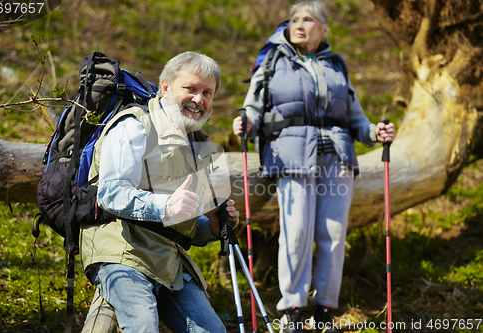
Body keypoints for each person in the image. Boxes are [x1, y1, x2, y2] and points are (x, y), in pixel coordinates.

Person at [233, 2, 396, 332]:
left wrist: (375, 133)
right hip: (291, 157)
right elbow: (252, 107)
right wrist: (245, 124)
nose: (299, 24)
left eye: (308, 19)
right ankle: (292, 307)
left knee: (333, 234)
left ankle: (325, 308)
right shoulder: (273, 60)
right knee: (296, 232)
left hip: (337, 159)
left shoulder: (336, 65)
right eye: (295, 19)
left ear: (324, 29)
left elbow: (355, 119)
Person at [80, 51, 240, 333]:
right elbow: (110, 192)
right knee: (142, 325)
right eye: (190, 88)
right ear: (166, 87)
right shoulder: (134, 125)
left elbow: (182, 223)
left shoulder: (199, 144)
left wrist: (211, 227)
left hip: (169, 262)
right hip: (121, 250)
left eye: (207, 93)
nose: (199, 100)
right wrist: (165, 206)